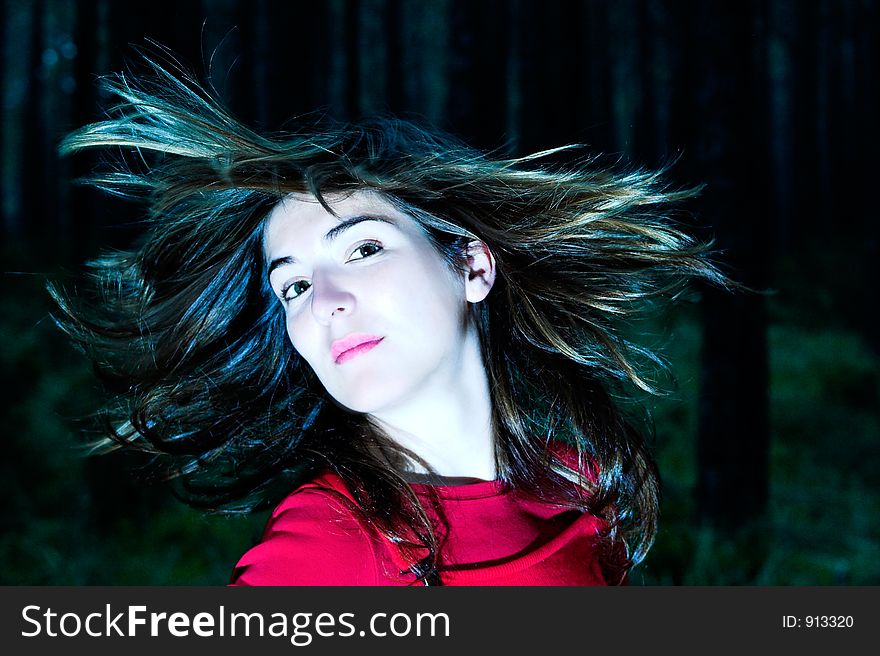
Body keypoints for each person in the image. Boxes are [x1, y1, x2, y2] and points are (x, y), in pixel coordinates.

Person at [51, 54, 730, 586]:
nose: (325, 300)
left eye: (364, 248)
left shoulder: (582, 484)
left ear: (470, 266)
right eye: (292, 286)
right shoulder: (324, 548)